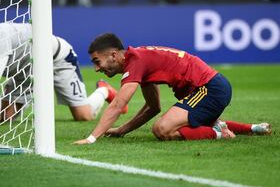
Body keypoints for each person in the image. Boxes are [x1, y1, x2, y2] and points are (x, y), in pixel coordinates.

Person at [74, 33, 271, 144]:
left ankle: (220, 133)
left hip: (208, 88)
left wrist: (92, 138)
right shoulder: (140, 62)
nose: (96, 68)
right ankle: (253, 128)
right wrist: (122, 130)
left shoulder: (136, 62)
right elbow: (153, 107)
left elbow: (118, 105)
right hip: (209, 88)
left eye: (97, 61)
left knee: (163, 129)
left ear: (114, 55)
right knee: (187, 124)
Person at [0, 14, 127, 127]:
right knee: (5, 118)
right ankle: (2, 111)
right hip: (26, 71)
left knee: (84, 115)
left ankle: (104, 90)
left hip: (57, 59)